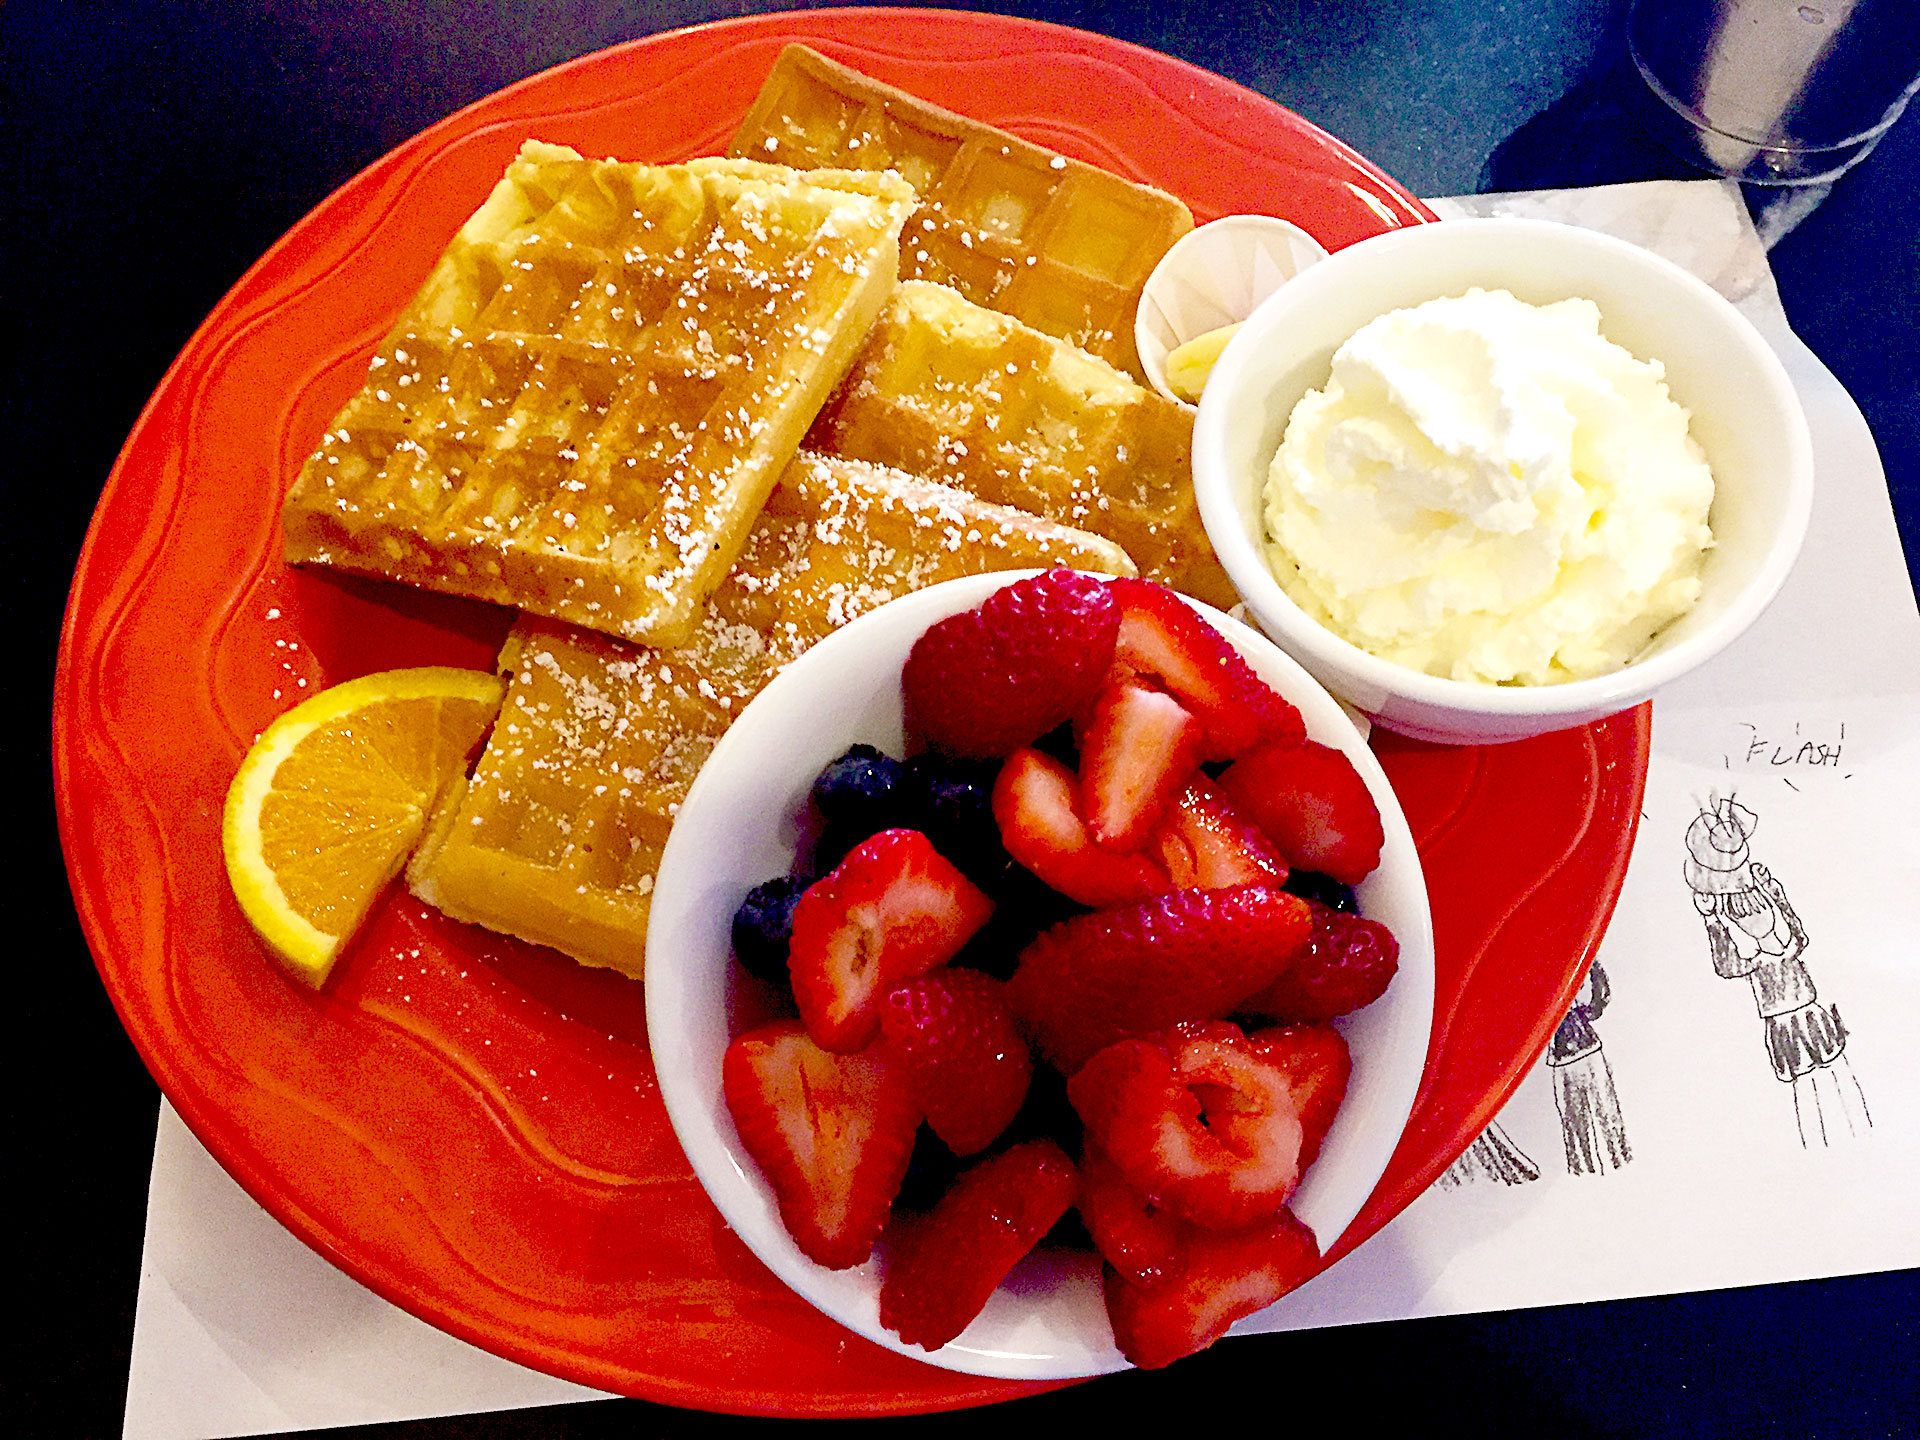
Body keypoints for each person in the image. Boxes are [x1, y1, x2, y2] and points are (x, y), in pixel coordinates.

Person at [1684, 796, 1870, 1146]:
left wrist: (1774, 892)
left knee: (1835, 1074)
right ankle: (1820, 1147)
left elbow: (1798, 934)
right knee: (1807, 1090)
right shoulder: (1746, 943)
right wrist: (1711, 921)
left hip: (1808, 1011)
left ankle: (1853, 1134)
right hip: (1781, 1019)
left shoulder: (1779, 931)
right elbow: (1727, 966)